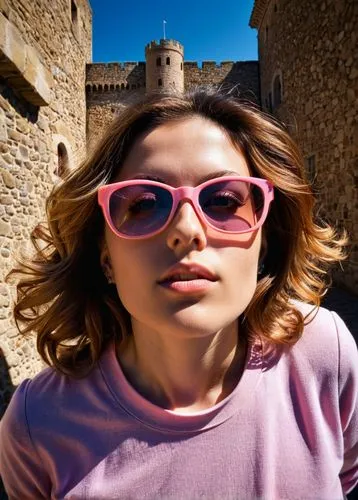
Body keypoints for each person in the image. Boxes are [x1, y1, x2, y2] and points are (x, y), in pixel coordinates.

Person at [0, 88, 357, 500]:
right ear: (105, 257)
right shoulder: (37, 426)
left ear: (265, 239)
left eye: (224, 200)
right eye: (145, 204)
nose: (187, 229)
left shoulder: (323, 355)